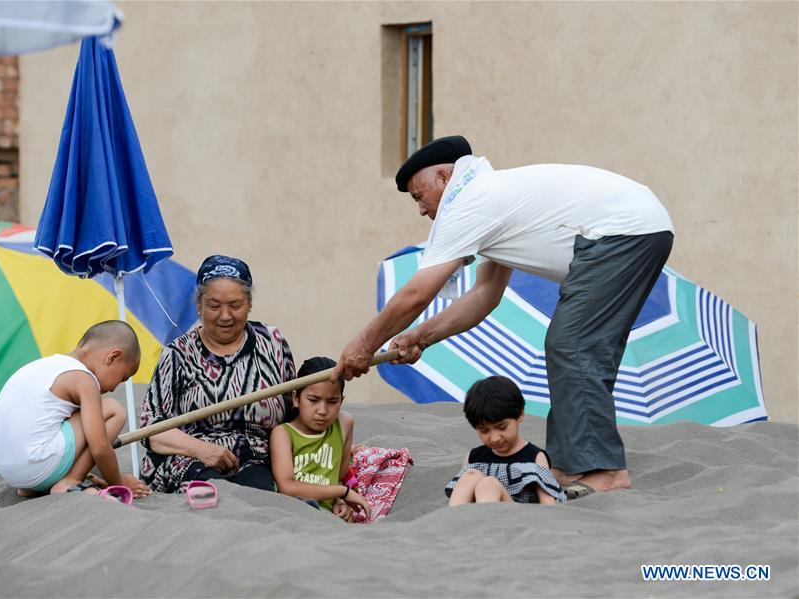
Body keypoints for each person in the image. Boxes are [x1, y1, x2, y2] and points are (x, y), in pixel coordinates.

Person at [335, 135, 674, 495]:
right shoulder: (492, 198)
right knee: (573, 345)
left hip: (622, 232)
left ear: (445, 178)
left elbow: (418, 293)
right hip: (637, 227)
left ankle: (605, 471)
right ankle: (570, 467)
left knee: (572, 344)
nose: (420, 210)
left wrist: (363, 345)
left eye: (419, 196)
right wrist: (421, 336)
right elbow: (484, 296)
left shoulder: (470, 201)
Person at [139, 255, 295, 493]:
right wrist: (203, 450)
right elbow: (152, 431)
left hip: (257, 460)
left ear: (250, 303)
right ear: (199, 304)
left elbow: (293, 412)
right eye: (214, 305)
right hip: (190, 460)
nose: (225, 316)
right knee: (211, 492)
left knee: (262, 495)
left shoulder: (272, 343)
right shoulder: (178, 354)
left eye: (235, 305)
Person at [0, 320, 151, 499]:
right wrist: (118, 481)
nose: (114, 388)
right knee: (114, 410)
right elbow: (100, 447)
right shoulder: (84, 379)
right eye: (122, 377)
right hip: (35, 465)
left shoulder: (43, 366)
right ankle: (71, 480)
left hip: (9, 473)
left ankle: (38, 485)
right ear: (112, 357)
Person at [270, 357, 371, 521]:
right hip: (294, 513)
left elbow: (339, 476)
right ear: (296, 398)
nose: (322, 410)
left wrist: (339, 502)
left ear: (341, 400)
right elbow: (287, 487)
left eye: (332, 401)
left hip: (328, 515)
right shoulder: (283, 433)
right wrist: (343, 492)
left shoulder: (344, 424)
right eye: (313, 400)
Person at [446, 376, 565, 506]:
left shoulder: (535, 457)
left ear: (520, 414)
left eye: (502, 427)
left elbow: (547, 501)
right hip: (471, 514)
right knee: (470, 476)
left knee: (489, 483)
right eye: (484, 430)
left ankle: (484, 521)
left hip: (513, 516)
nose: (495, 438)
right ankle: (453, 519)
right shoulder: (474, 457)